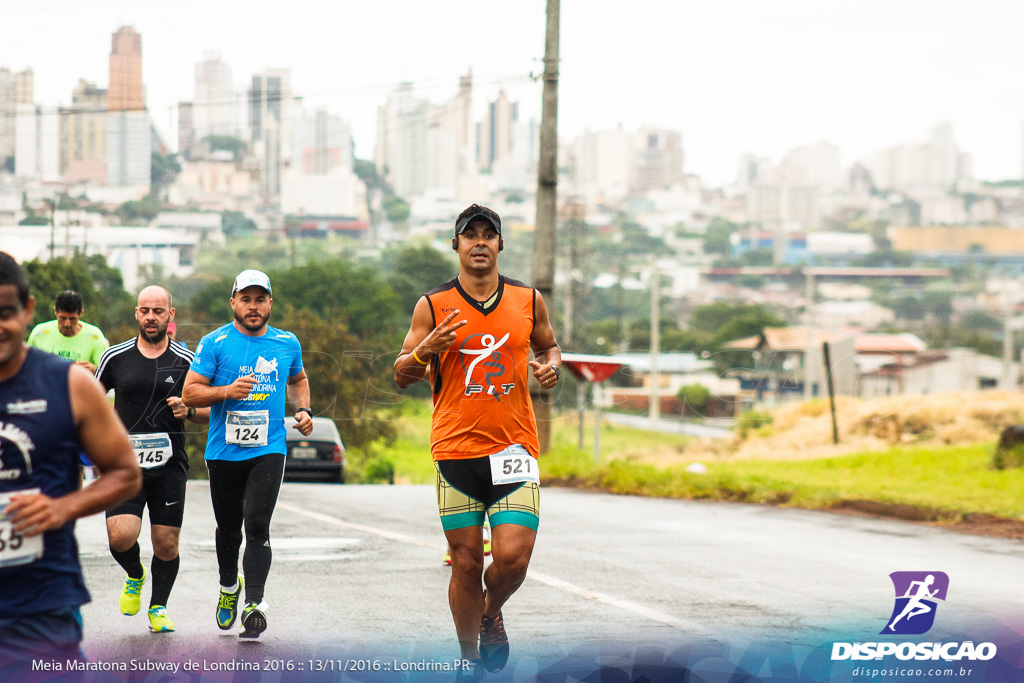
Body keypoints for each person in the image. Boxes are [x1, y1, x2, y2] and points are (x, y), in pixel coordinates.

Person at [394, 204, 561, 678]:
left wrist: (551, 365)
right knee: (465, 563)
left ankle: (490, 614)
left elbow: (549, 344)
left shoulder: (528, 300)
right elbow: (401, 373)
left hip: (514, 450)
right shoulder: (432, 305)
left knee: (513, 560)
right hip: (455, 451)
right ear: (457, 245)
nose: (480, 242)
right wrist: (425, 351)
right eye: (471, 235)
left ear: (501, 245)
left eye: (490, 234)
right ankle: (469, 660)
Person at [0, 252, 140, 677]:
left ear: (27, 311)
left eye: (4, 312)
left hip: (40, 605)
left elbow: (125, 472)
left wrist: (63, 508)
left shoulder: (70, 383)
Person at [182, 269, 313, 639]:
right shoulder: (214, 342)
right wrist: (226, 391)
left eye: (260, 299)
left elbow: (299, 379)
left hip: (268, 449)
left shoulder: (287, 342)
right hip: (224, 451)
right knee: (228, 530)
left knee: (257, 525)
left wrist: (303, 410)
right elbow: (191, 393)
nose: (253, 306)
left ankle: (254, 604)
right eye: (246, 299)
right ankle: (228, 589)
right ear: (233, 303)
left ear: (270, 303)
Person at [94, 286, 210, 633]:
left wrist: (189, 409)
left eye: (158, 311)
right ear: (136, 314)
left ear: (170, 316)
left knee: (166, 542)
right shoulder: (115, 357)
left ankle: (158, 607)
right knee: (120, 537)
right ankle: (134, 574)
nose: (151, 317)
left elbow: (208, 410)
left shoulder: (186, 361)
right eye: (145, 310)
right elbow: (90, 402)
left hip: (169, 467)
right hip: (124, 467)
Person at [27, 290, 109, 374]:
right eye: (62, 318)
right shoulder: (39, 333)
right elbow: (26, 368)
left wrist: (95, 370)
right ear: (55, 311)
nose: (67, 324)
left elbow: (108, 374)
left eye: (72, 319)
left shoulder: (95, 337)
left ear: (81, 313)